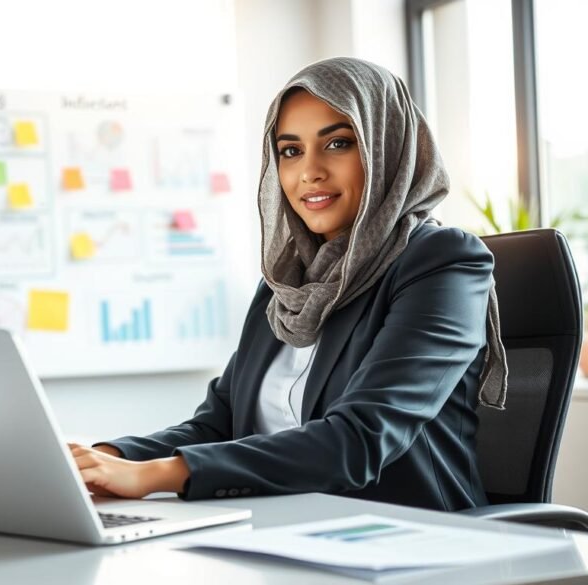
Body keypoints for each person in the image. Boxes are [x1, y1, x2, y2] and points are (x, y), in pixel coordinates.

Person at [68, 57, 509, 511]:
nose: (309, 172)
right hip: (283, 525)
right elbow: (218, 425)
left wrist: (154, 475)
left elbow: (359, 440)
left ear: (387, 147)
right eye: (290, 150)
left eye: (338, 143)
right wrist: (106, 459)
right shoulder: (286, 282)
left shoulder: (441, 263)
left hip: (409, 539)